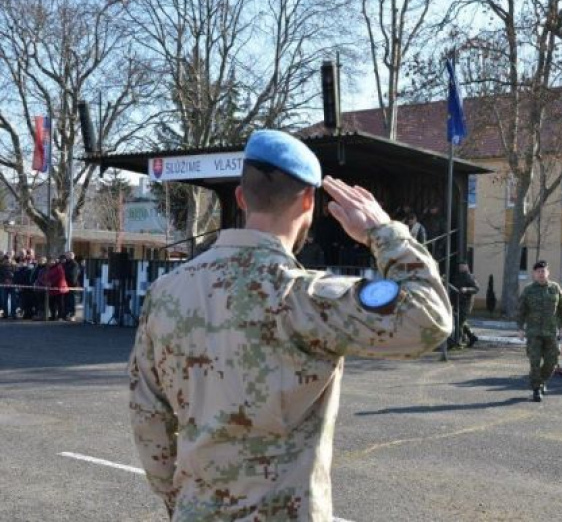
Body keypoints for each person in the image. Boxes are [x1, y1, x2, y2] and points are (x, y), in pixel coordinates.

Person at [128, 130, 451, 521]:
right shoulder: (307, 297)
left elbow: (148, 416)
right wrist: (383, 232)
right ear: (309, 201)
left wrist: (182, 502)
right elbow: (430, 318)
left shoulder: (166, 292)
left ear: (241, 197)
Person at [516, 260, 562, 402]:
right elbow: (521, 310)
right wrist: (520, 328)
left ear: (548, 272)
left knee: (552, 361)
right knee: (534, 362)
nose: (541, 274)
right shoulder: (528, 290)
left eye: (543, 271)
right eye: (538, 271)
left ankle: (541, 381)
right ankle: (536, 389)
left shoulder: (555, 288)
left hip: (550, 332)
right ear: (534, 274)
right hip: (534, 333)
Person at [450, 260, 480, 348]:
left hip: (465, 303)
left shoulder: (470, 276)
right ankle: (472, 337)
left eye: (462, 266)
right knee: (461, 322)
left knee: (459, 323)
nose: (461, 268)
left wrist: (467, 289)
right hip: (457, 302)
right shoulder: (457, 276)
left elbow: (476, 289)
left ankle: (458, 342)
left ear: (466, 267)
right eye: (460, 267)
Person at [62, 252, 80, 321]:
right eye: (66, 255)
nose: (67, 257)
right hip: (65, 285)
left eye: (68, 255)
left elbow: (73, 276)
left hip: (71, 285)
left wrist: (66, 277)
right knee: (66, 301)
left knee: (71, 301)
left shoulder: (74, 264)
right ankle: (66, 314)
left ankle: (72, 315)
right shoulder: (65, 264)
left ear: (72, 256)